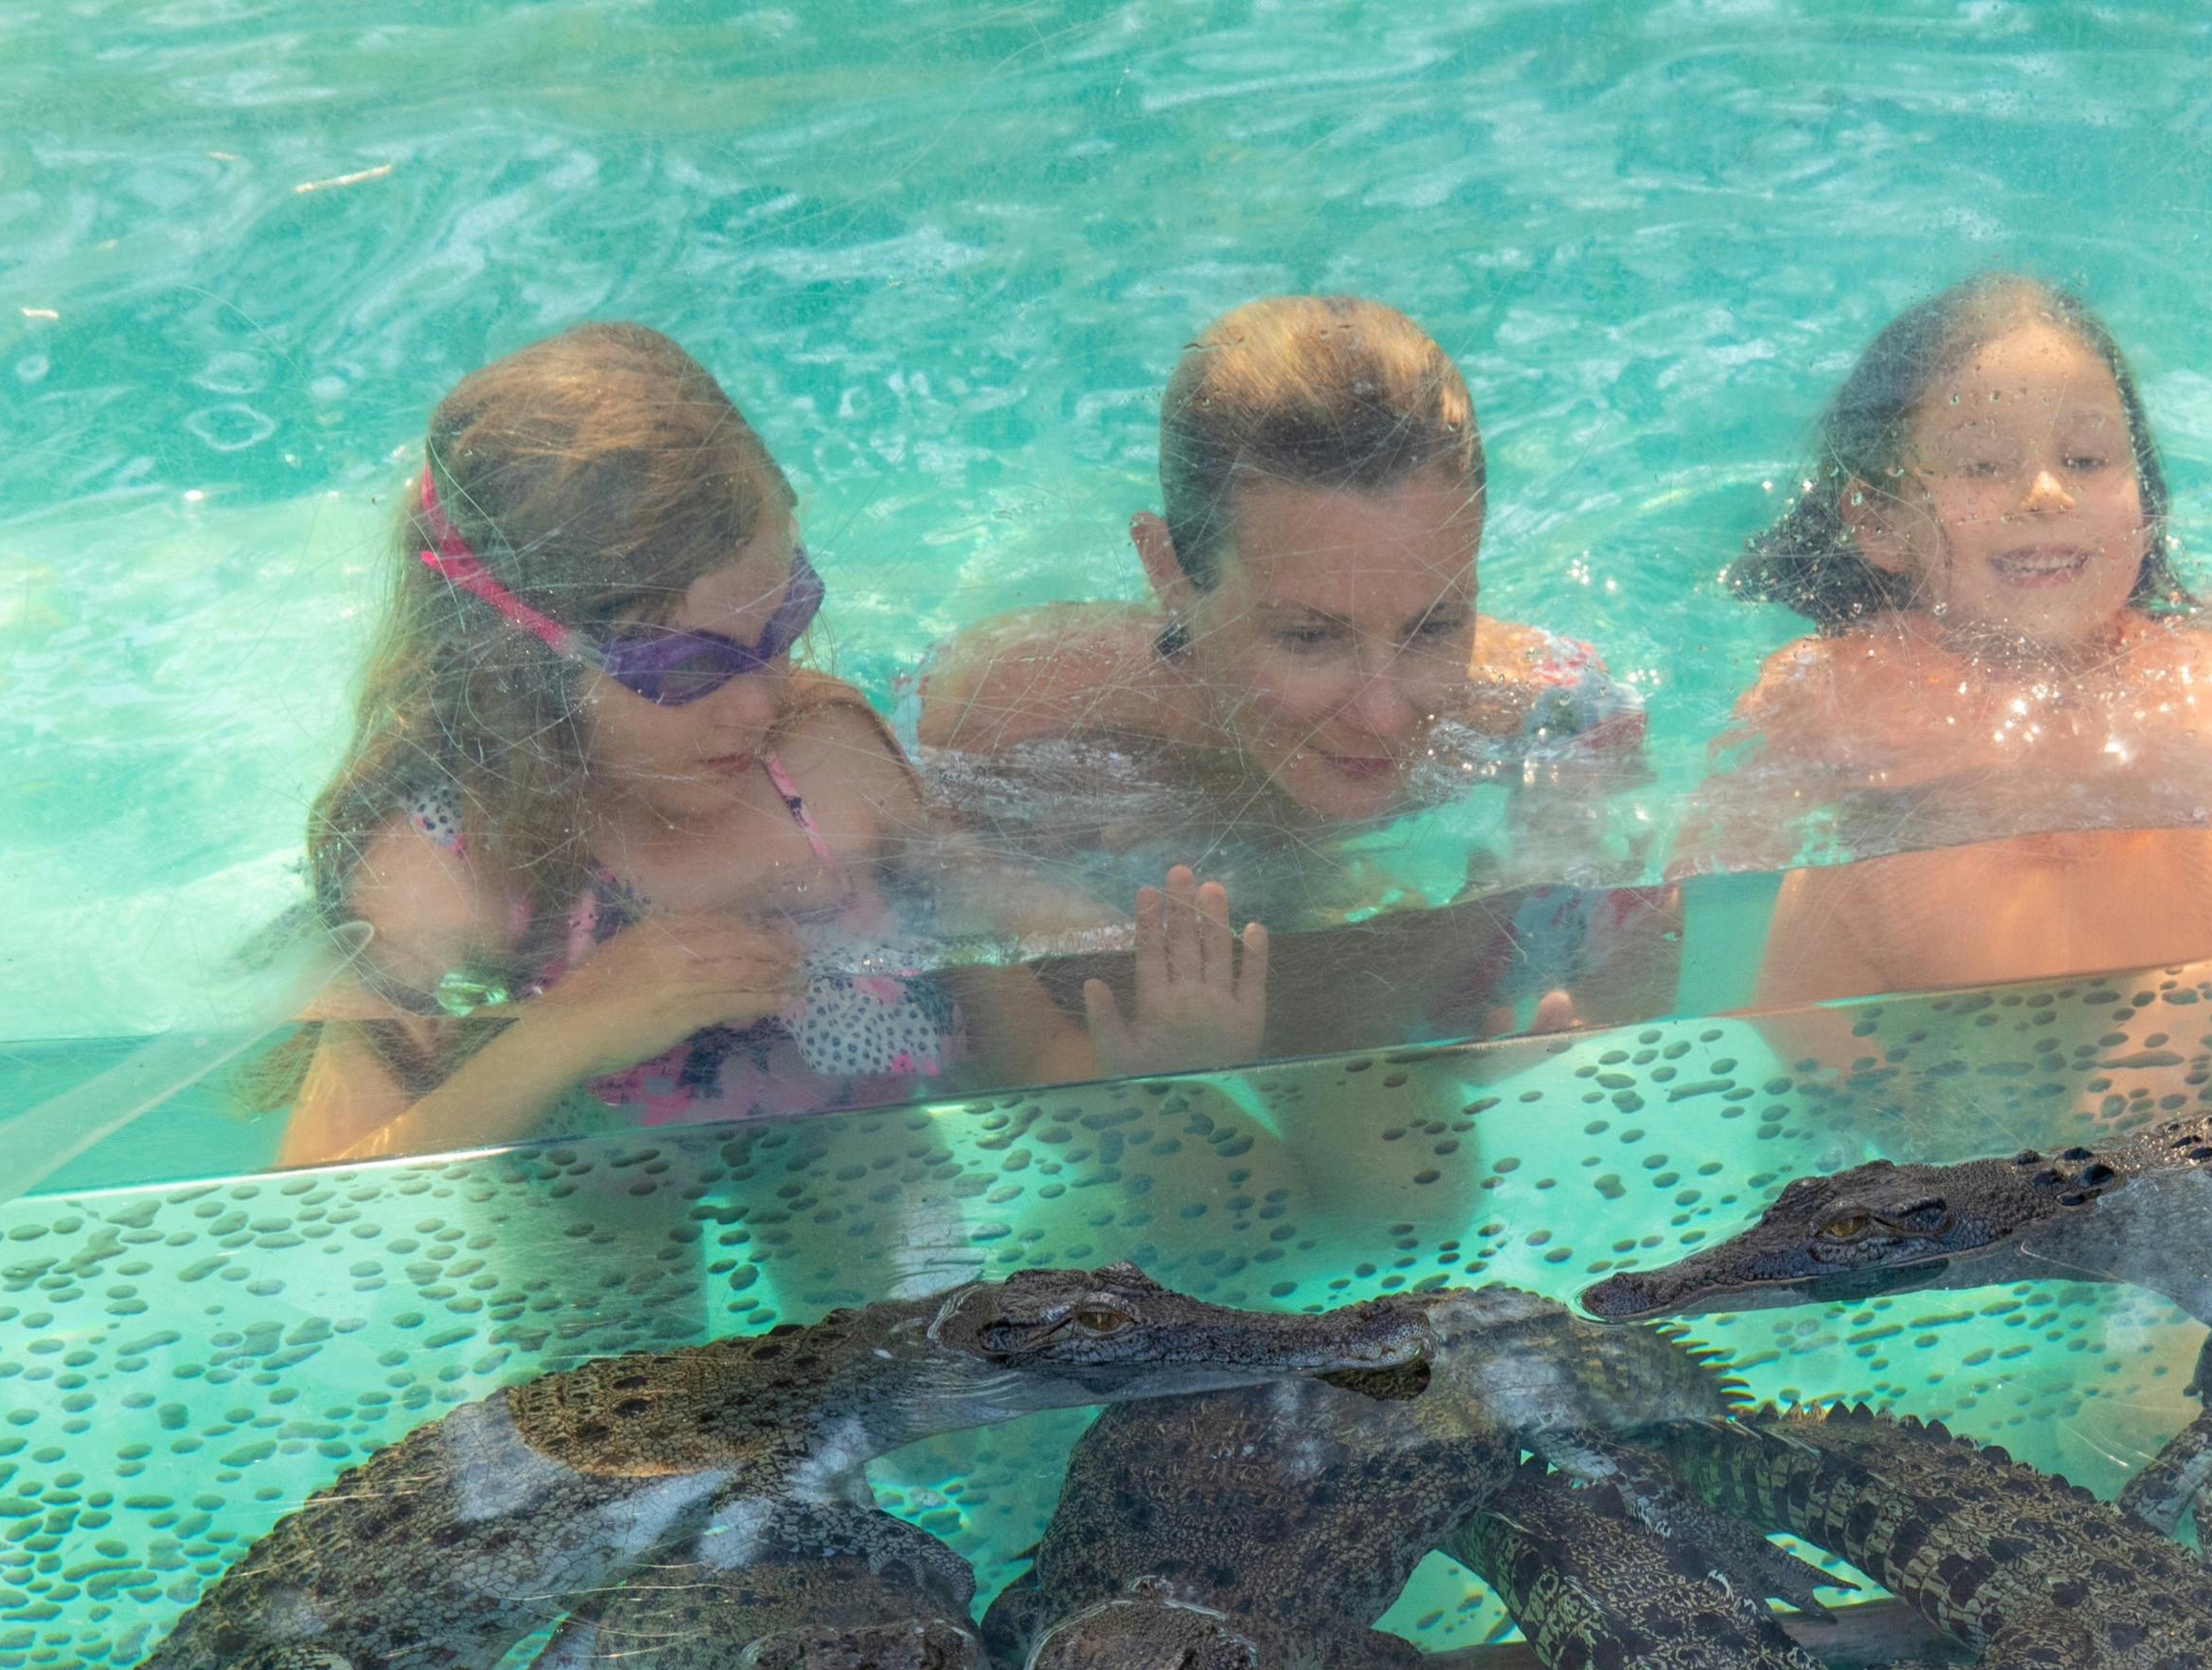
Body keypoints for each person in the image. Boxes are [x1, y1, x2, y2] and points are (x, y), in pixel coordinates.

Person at [274, 322, 1261, 1171]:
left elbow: (1029, 1060)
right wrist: (560, 1036)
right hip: (599, 1210)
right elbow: (314, 1201)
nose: (757, 706)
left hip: (859, 1173)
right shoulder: (446, 872)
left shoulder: (829, 775)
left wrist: (1158, 1062)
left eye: (784, 626)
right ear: (515, 662)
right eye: (691, 671)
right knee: (611, 1226)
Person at [1690, 273, 2212, 1005]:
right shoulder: (1832, 691)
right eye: (1983, 466)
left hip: (2207, 1019)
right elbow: (1706, 874)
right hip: (1899, 1034)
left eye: (2086, 459)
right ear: (1879, 522)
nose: (2046, 494)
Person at [916, 295, 1648, 913]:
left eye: (1436, 625)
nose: (1385, 712)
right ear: (1169, 571)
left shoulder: (1546, 716)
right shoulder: (1012, 717)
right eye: (1308, 638)